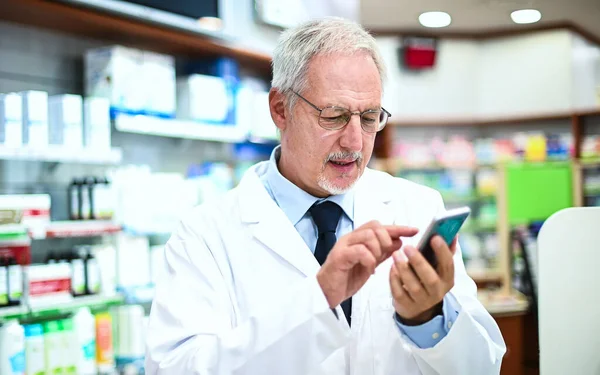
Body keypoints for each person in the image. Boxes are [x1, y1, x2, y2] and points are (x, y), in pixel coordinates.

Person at [145, 17, 506, 375]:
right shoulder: (205, 234)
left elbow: (483, 365)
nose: (354, 142)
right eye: (333, 116)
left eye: (369, 118)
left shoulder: (417, 208)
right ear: (280, 109)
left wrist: (428, 319)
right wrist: (318, 299)